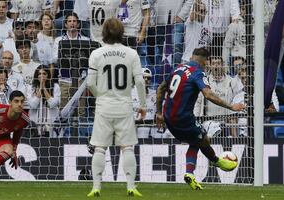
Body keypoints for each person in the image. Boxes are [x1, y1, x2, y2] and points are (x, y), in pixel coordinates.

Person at [155, 47, 245, 190]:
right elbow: (208, 95)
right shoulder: (198, 72)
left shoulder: (178, 68)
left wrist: (159, 113)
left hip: (167, 116)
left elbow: (160, 88)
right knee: (203, 139)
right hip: (183, 118)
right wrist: (231, 107)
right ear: (205, 61)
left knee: (196, 139)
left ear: (192, 56)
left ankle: (190, 173)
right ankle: (216, 161)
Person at [87, 18, 146, 197]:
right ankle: (130, 186)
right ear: (122, 32)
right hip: (124, 105)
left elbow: (90, 83)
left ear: (104, 32)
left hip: (104, 106)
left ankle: (96, 187)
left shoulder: (96, 54)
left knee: (99, 147)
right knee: (127, 147)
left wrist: (101, 96)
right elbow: (140, 82)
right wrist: (143, 105)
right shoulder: (131, 54)